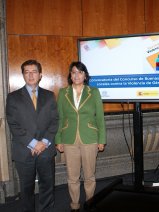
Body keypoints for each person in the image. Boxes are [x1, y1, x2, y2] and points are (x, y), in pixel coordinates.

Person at [6, 60, 59, 212]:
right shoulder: (13, 97)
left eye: (34, 71)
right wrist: (33, 143)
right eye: (27, 72)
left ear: (40, 75)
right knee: (26, 189)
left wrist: (44, 142)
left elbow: (55, 121)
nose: (30, 75)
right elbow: (13, 124)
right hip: (24, 151)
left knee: (47, 186)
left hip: (46, 149)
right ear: (23, 75)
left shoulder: (50, 96)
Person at [55, 61, 106, 212]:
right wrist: (58, 139)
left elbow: (100, 118)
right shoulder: (63, 93)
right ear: (70, 75)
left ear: (85, 75)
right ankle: (74, 206)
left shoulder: (94, 92)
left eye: (80, 72)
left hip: (90, 138)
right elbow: (60, 117)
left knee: (89, 175)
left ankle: (90, 203)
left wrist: (102, 139)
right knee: (72, 177)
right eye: (73, 72)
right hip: (69, 138)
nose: (76, 75)